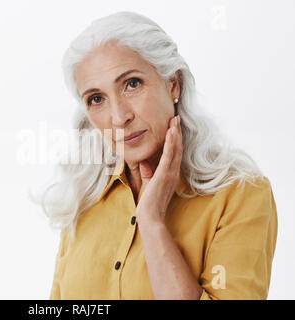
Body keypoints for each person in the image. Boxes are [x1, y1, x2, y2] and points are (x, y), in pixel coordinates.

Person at [38, 11, 278, 300]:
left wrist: (151, 222)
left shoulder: (239, 195)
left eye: (132, 84)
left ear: (172, 83)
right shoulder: (83, 198)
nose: (118, 117)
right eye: (97, 99)